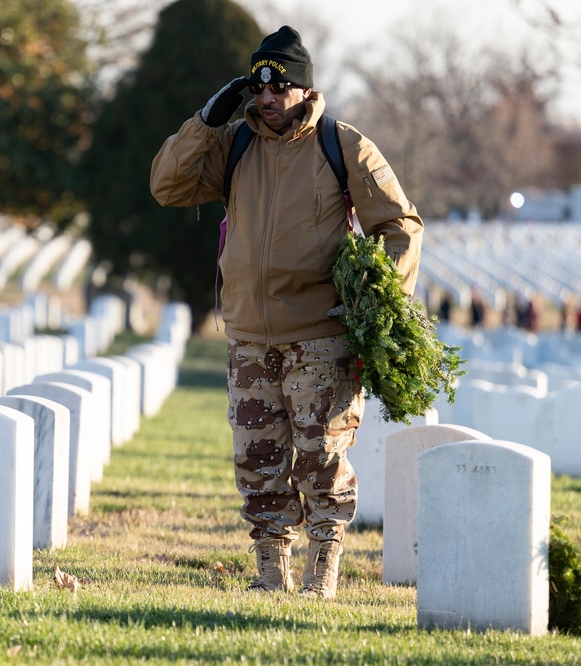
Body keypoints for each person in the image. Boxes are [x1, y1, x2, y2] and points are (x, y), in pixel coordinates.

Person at [149, 26, 423, 599]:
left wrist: (369, 302)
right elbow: (166, 187)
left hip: (320, 337)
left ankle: (322, 570)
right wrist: (206, 119)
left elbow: (400, 227)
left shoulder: (343, 146)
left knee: (321, 454)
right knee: (258, 459)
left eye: (280, 88)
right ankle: (271, 574)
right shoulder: (234, 145)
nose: (267, 98)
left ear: (303, 89)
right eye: (258, 88)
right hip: (249, 334)